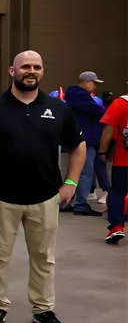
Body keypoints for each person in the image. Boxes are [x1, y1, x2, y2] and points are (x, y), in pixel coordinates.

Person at [0, 51, 85, 323]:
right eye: (25, 66)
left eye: (37, 67)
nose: (31, 71)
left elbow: (78, 145)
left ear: (42, 72)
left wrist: (71, 183)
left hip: (45, 197)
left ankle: (43, 310)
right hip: (0, 197)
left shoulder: (59, 109)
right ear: (11, 71)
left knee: (44, 257)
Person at [66, 71, 108, 216]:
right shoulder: (80, 96)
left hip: (81, 138)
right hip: (86, 140)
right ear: (86, 82)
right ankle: (81, 205)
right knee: (85, 172)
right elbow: (99, 112)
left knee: (77, 171)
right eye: (94, 83)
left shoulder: (75, 95)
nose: (95, 86)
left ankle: (67, 201)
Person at [100, 91, 128, 243]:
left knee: (117, 191)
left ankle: (116, 227)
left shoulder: (121, 103)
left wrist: (104, 151)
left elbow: (108, 130)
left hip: (124, 160)